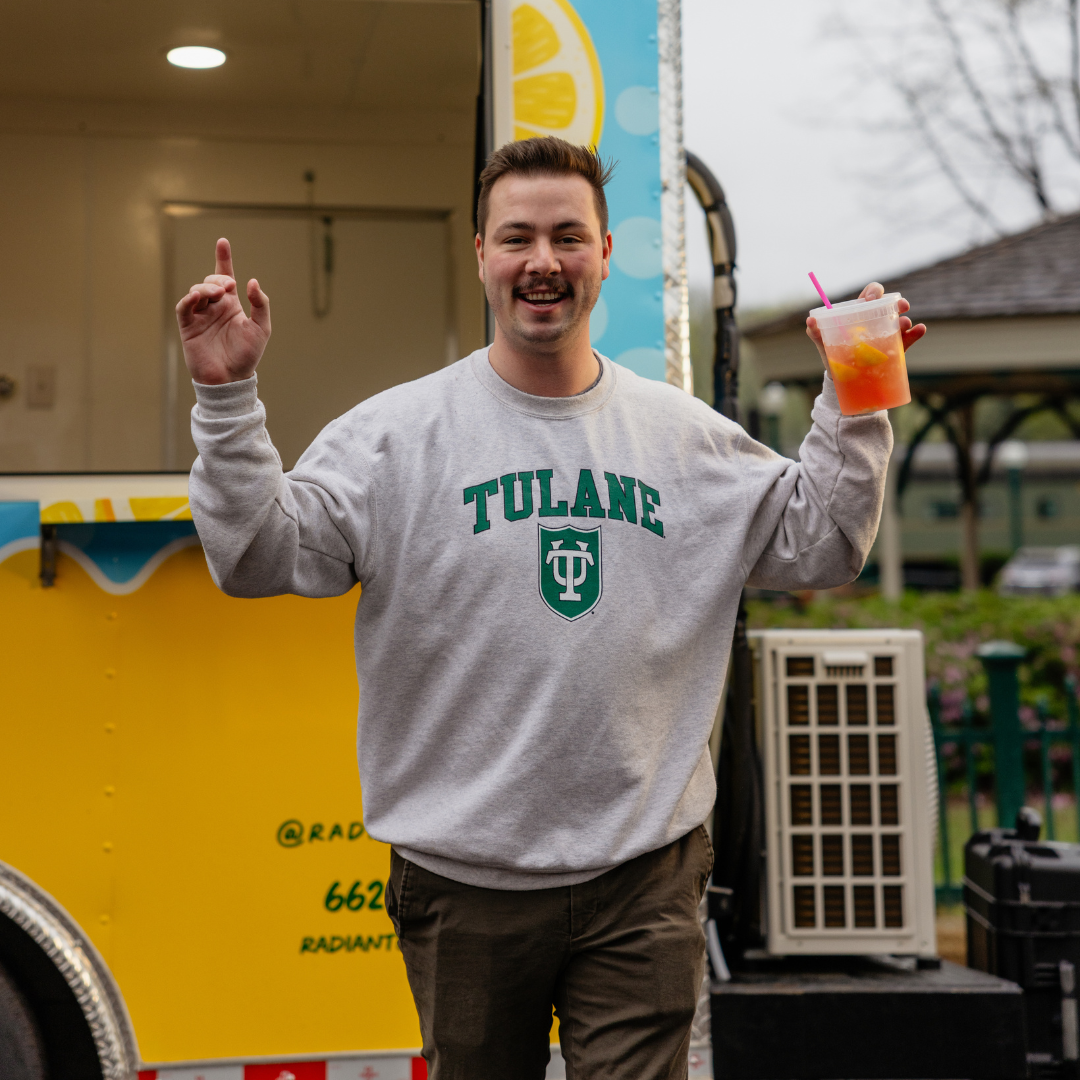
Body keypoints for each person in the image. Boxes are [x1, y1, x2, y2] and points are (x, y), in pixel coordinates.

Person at [177, 136, 925, 1080]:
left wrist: (860, 391)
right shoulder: (395, 437)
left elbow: (822, 540)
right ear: (482, 254)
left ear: (606, 253)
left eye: (568, 236)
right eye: (518, 237)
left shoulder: (686, 438)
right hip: (463, 887)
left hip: (643, 879)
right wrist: (226, 398)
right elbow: (254, 556)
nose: (543, 261)